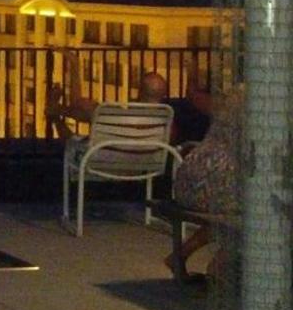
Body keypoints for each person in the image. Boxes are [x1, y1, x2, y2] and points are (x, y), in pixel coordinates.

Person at [45, 50, 212, 146]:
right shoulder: (168, 124)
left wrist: (74, 64)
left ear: (139, 92)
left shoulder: (116, 114)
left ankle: (54, 115)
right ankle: (55, 111)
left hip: (103, 162)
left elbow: (77, 103)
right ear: (164, 95)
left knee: (75, 141)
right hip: (148, 169)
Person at [166, 91, 240, 279]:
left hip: (191, 177)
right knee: (265, 211)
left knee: (237, 208)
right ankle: (219, 266)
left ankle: (181, 255)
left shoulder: (238, 94)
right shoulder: (272, 105)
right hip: (217, 181)